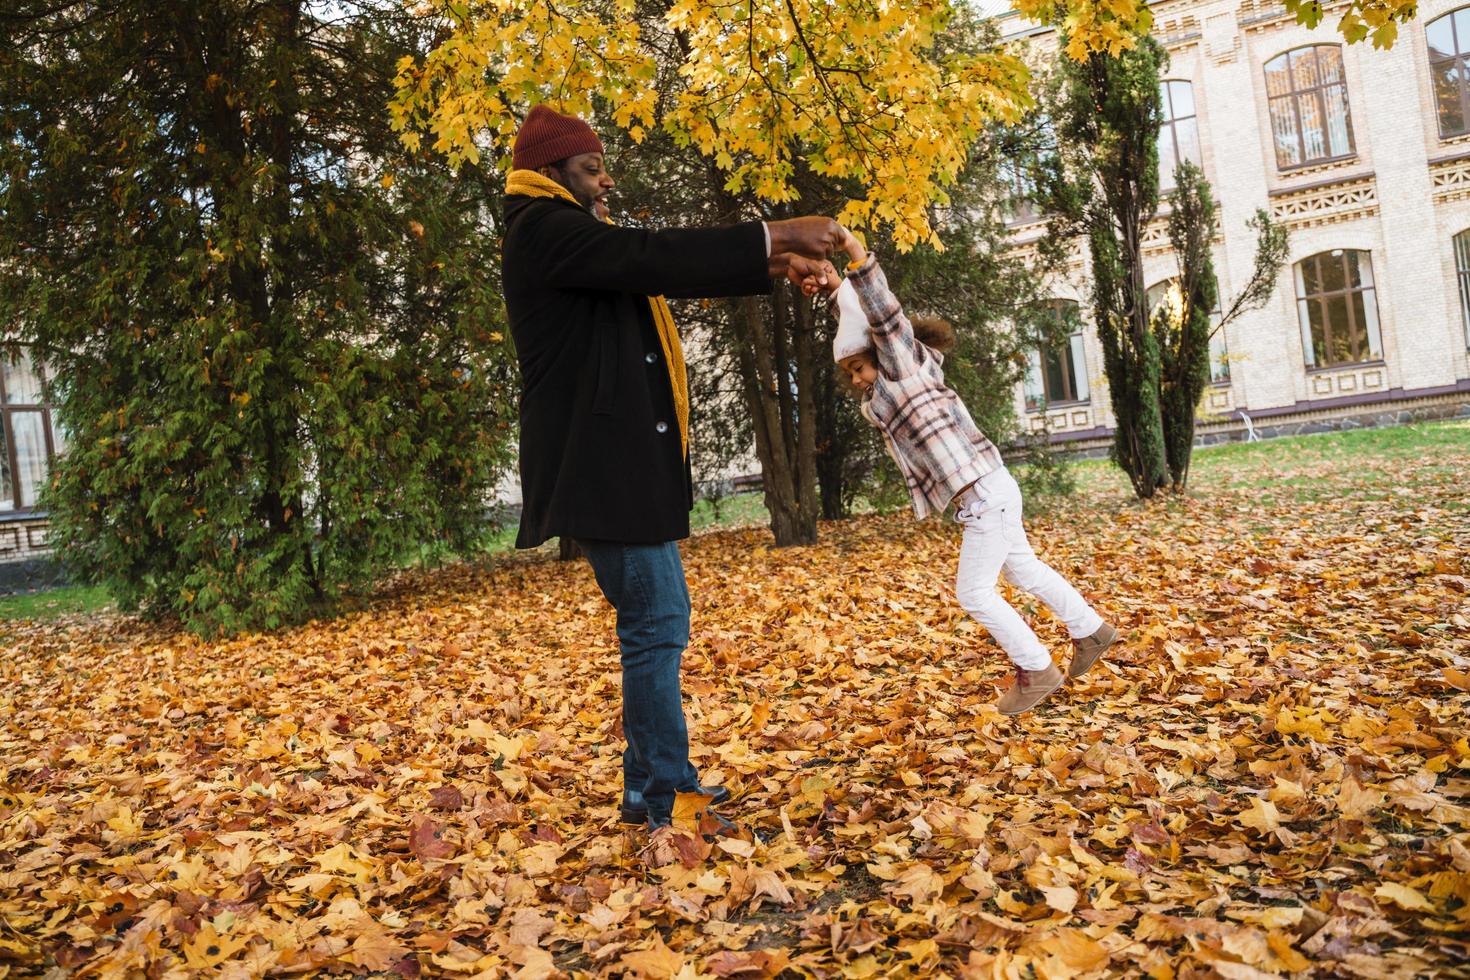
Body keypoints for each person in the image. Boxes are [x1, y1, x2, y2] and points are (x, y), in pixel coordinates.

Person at [501, 104, 843, 829]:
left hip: (614, 475)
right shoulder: (542, 230)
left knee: (655, 623)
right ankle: (664, 796)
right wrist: (772, 235)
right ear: (551, 171)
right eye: (592, 168)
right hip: (603, 475)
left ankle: (649, 789)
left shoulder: (571, 241)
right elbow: (647, 257)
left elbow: (647, 269)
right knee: (657, 624)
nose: (605, 181)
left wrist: (777, 262)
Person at [818, 228, 1117, 715]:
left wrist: (855, 255)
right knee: (1023, 569)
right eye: (849, 373)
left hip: (985, 495)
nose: (855, 379)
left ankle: (1037, 668)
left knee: (975, 592)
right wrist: (836, 291)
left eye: (860, 367)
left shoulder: (903, 367)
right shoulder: (887, 393)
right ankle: (1092, 630)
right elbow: (857, 325)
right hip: (990, 487)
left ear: (882, 355)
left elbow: (883, 317)